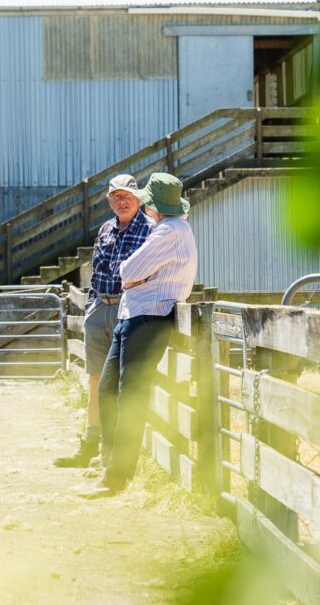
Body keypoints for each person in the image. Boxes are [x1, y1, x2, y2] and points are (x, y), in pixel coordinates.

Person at [84, 173, 197, 497]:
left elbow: (128, 271)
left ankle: (117, 477)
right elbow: (132, 274)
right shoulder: (169, 230)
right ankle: (111, 466)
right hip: (134, 313)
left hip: (149, 314)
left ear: (151, 204)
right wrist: (136, 280)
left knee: (129, 394)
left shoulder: (168, 231)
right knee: (109, 388)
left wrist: (135, 279)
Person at [55, 174, 151, 468]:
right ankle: (89, 446)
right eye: (116, 197)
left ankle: (115, 453)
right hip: (101, 308)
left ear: (139, 199)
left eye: (128, 196)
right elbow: (98, 272)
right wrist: (94, 302)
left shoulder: (150, 229)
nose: (122, 201)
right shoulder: (106, 229)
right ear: (109, 200)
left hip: (128, 309)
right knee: (96, 380)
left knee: (120, 383)